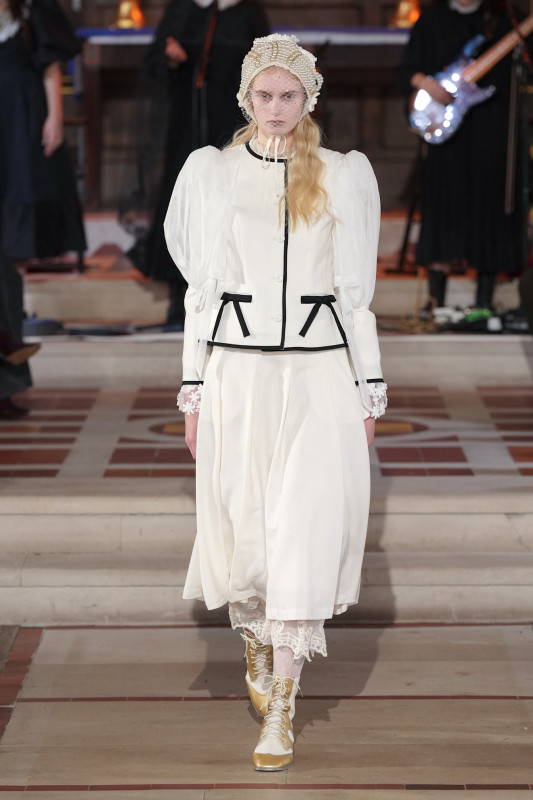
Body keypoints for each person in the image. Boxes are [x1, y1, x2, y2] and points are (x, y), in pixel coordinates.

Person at [164, 34, 388, 771]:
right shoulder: (214, 172)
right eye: (264, 95)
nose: (276, 108)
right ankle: (255, 643)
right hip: (238, 374)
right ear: (245, 98)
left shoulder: (342, 175)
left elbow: (354, 295)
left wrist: (369, 388)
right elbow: (201, 293)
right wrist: (193, 389)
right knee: (246, 523)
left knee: (305, 530)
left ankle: (282, 711)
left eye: (288, 95)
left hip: (319, 376)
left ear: (308, 99)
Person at [136, 0, 269, 328]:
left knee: (232, 199)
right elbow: (154, 59)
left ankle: (236, 294)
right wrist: (170, 58)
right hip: (187, 120)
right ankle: (178, 295)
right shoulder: (183, 8)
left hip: (232, 122)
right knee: (184, 198)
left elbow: (266, 64)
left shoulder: (247, 10)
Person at [397, 0, 528, 315]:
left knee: (489, 207)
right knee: (444, 207)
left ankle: (484, 301)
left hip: (491, 130)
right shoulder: (432, 20)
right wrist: (427, 84)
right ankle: (435, 300)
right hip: (446, 134)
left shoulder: (504, 18)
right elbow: (405, 69)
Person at [0, 0, 86, 419]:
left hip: (20, 122)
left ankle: (6, 384)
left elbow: (51, 67)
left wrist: (55, 116)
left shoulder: (31, 15)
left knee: (7, 271)